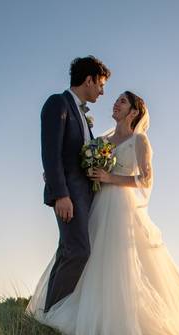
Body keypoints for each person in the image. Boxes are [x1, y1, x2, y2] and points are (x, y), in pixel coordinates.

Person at [27, 91, 179, 335]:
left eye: (122, 101)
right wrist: (56, 174)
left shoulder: (139, 140)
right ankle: (86, 327)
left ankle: (130, 334)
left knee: (123, 269)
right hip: (97, 206)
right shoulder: (102, 140)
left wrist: (110, 177)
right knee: (91, 262)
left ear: (134, 112)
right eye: (117, 100)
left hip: (122, 209)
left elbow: (145, 180)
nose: (116, 103)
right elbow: (80, 165)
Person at [39, 56, 110, 312]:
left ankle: (48, 317)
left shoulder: (82, 114)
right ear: (88, 80)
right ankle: (54, 316)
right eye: (100, 84)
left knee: (67, 252)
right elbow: (50, 151)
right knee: (78, 252)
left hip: (82, 196)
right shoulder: (58, 103)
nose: (101, 91)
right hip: (68, 195)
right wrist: (61, 195)